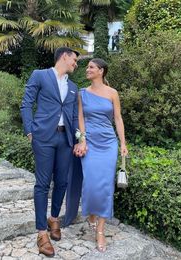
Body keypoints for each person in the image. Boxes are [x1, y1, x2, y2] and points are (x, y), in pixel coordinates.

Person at [20, 47, 86, 257]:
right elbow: (26, 103)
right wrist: (30, 131)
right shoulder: (40, 75)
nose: (76, 64)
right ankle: (41, 233)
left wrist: (78, 139)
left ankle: (54, 218)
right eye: (74, 60)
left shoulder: (74, 87)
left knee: (63, 182)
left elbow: (75, 117)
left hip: (65, 139)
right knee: (42, 183)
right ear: (64, 57)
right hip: (44, 137)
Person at [73, 58, 128, 252]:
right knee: (90, 183)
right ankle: (90, 214)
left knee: (105, 185)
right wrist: (83, 140)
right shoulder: (82, 93)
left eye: (91, 67)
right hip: (90, 143)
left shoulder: (113, 93)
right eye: (87, 67)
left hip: (108, 143)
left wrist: (123, 143)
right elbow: (80, 118)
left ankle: (100, 231)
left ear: (101, 71)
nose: (87, 69)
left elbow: (118, 118)